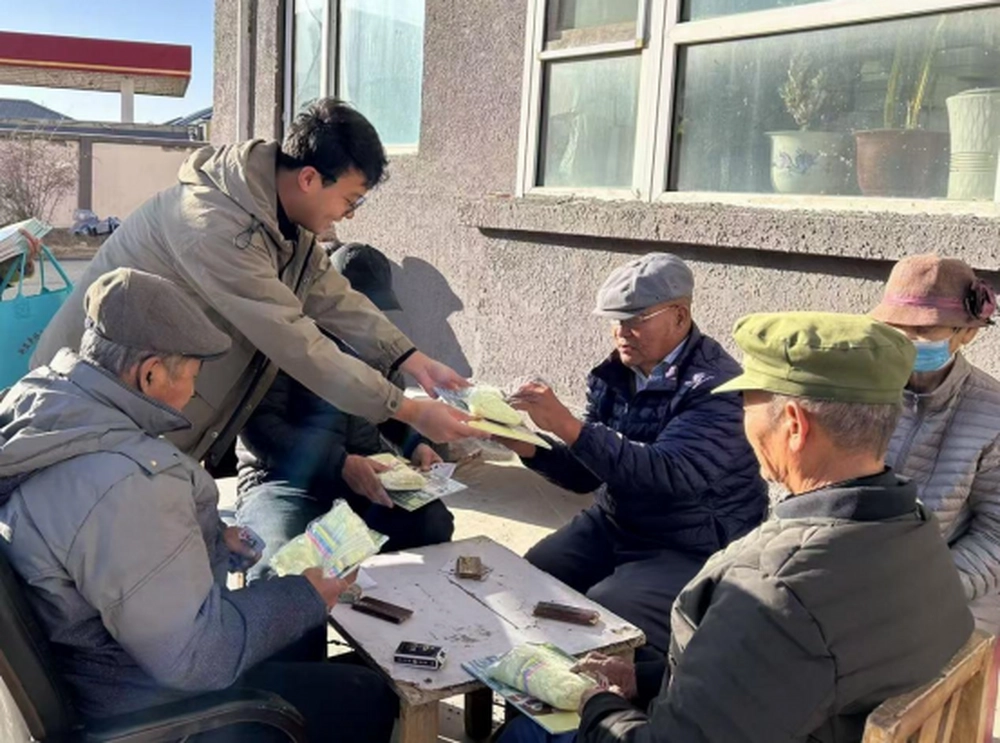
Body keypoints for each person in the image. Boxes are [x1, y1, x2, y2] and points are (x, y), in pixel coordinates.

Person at [500, 312, 973, 743]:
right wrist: (643, 678)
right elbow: (781, 672)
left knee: (525, 731)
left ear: (794, 426)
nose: (741, 419)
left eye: (746, 402)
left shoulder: (770, 587)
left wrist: (596, 704)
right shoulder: (917, 530)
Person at [0, 268, 397, 743]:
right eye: (192, 374)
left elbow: (110, 559)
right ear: (150, 373)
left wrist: (209, 541)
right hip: (148, 707)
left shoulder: (50, 408)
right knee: (367, 694)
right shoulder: (125, 483)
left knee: (304, 643)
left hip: (103, 669)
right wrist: (306, 595)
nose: (194, 392)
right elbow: (197, 658)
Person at [31, 98, 484, 471]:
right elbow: (298, 343)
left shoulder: (282, 225)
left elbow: (334, 297)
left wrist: (414, 360)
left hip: (141, 412)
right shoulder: (215, 225)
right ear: (309, 179)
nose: (349, 216)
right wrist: (407, 410)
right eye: (350, 200)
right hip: (85, 410)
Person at [501, 253, 767, 654]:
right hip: (618, 521)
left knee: (612, 613)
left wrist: (568, 426)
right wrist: (519, 440)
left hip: (692, 541)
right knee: (530, 576)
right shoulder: (614, 374)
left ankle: (637, 686)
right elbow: (586, 474)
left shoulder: (717, 387)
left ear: (679, 316)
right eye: (614, 320)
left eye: (635, 320)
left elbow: (669, 472)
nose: (621, 332)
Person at [237, 243, 454, 583]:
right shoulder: (282, 340)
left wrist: (416, 445)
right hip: (282, 481)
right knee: (281, 569)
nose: (367, 321)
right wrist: (340, 463)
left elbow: (391, 411)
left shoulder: (378, 350)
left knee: (432, 522)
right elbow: (260, 430)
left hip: (361, 476)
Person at [871, 255, 1000, 632]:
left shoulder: (992, 412)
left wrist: (931, 592)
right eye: (896, 328)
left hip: (953, 591)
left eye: (925, 330)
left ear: (967, 333)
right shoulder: (865, 391)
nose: (907, 342)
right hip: (861, 579)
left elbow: (995, 533)